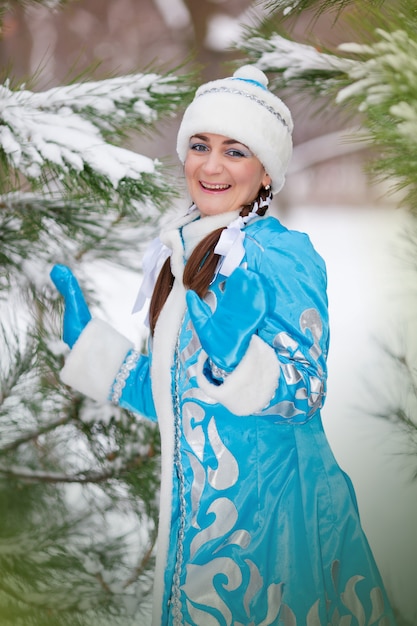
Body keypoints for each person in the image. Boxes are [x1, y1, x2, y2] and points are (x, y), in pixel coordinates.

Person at [51, 66, 397, 626]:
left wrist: (243, 364)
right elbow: (182, 399)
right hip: (198, 546)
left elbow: (305, 390)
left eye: (236, 151)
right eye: (199, 146)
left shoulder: (280, 254)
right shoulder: (184, 252)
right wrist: (96, 350)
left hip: (278, 541)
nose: (211, 166)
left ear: (266, 172)